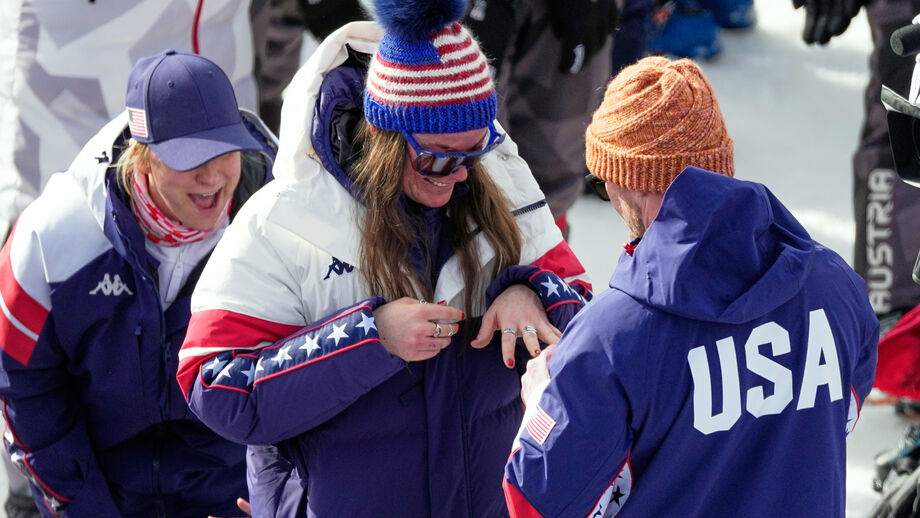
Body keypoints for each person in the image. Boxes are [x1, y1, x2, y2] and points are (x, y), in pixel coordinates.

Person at [175, 0, 592, 515]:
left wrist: (533, 294)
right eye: (437, 156)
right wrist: (368, 338)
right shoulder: (285, 218)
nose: (457, 174)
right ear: (381, 135)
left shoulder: (498, 184)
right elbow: (213, 383)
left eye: (474, 152)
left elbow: (588, 326)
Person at [503, 56, 879, 517]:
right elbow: (840, 414)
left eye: (603, 184)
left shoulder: (609, 340)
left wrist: (544, 402)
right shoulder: (835, 287)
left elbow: (537, 502)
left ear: (631, 181)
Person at [0, 50, 276, 517]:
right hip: (101, 495)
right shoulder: (49, 239)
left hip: (238, 496)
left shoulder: (280, 222)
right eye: (191, 157)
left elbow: (317, 376)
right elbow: (24, 391)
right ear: (142, 157)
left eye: (225, 150)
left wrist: (281, 496)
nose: (212, 176)